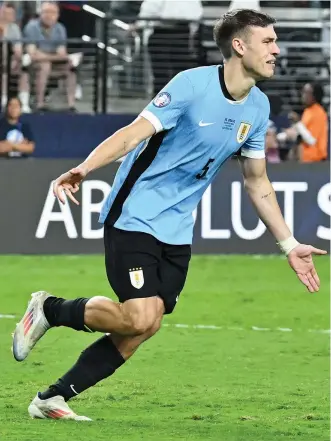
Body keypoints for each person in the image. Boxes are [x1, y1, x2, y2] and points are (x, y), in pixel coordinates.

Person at [13, 9, 326, 421]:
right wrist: (85, 169)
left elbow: (257, 181)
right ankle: (49, 309)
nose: (276, 50)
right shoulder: (191, 86)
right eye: (267, 41)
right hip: (135, 214)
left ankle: (50, 398)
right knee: (140, 314)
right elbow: (131, 134)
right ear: (239, 45)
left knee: (146, 324)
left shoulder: (259, 107)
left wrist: (288, 244)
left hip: (178, 229)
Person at [19, 1, 77, 112]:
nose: (49, 16)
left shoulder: (60, 28)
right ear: (40, 13)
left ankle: (71, 105)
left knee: (70, 67)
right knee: (45, 65)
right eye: (46, 12)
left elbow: (62, 53)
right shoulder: (31, 27)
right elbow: (33, 54)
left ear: (57, 15)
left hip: (53, 64)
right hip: (33, 65)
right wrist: (52, 57)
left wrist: (45, 56)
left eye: (53, 12)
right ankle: (39, 103)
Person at [278, 82, 328, 163]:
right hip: (304, 159)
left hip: (315, 161)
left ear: (315, 95)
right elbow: (301, 133)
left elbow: (311, 140)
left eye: (307, 92)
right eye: (303, 92)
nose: (303, 95)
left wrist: (297, 122)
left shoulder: (319, 113)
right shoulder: (308, 111)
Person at [0, 2, 23, 107]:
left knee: (23, 70)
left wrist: (15, 60)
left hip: (9, 61)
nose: (7, 16)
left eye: (10, 14)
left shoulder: (14, 28)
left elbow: (18, 50)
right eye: (5, 13)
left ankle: (21, 103)